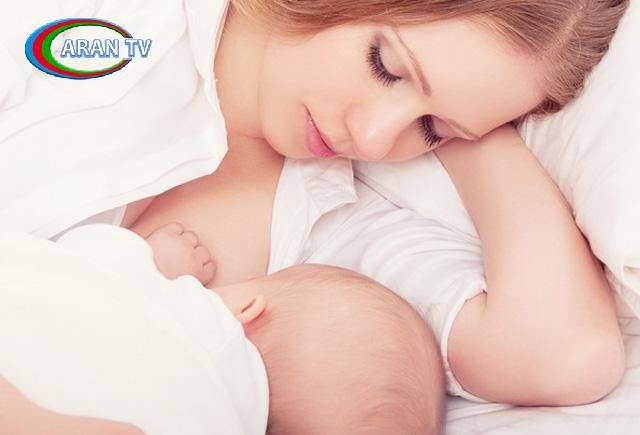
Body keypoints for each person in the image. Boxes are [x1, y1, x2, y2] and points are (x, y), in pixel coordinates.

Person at [0, 225, 445, 434]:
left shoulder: (203, 322)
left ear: (249, 310)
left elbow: (86, 263)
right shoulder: (219, 421)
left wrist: (159, 261)